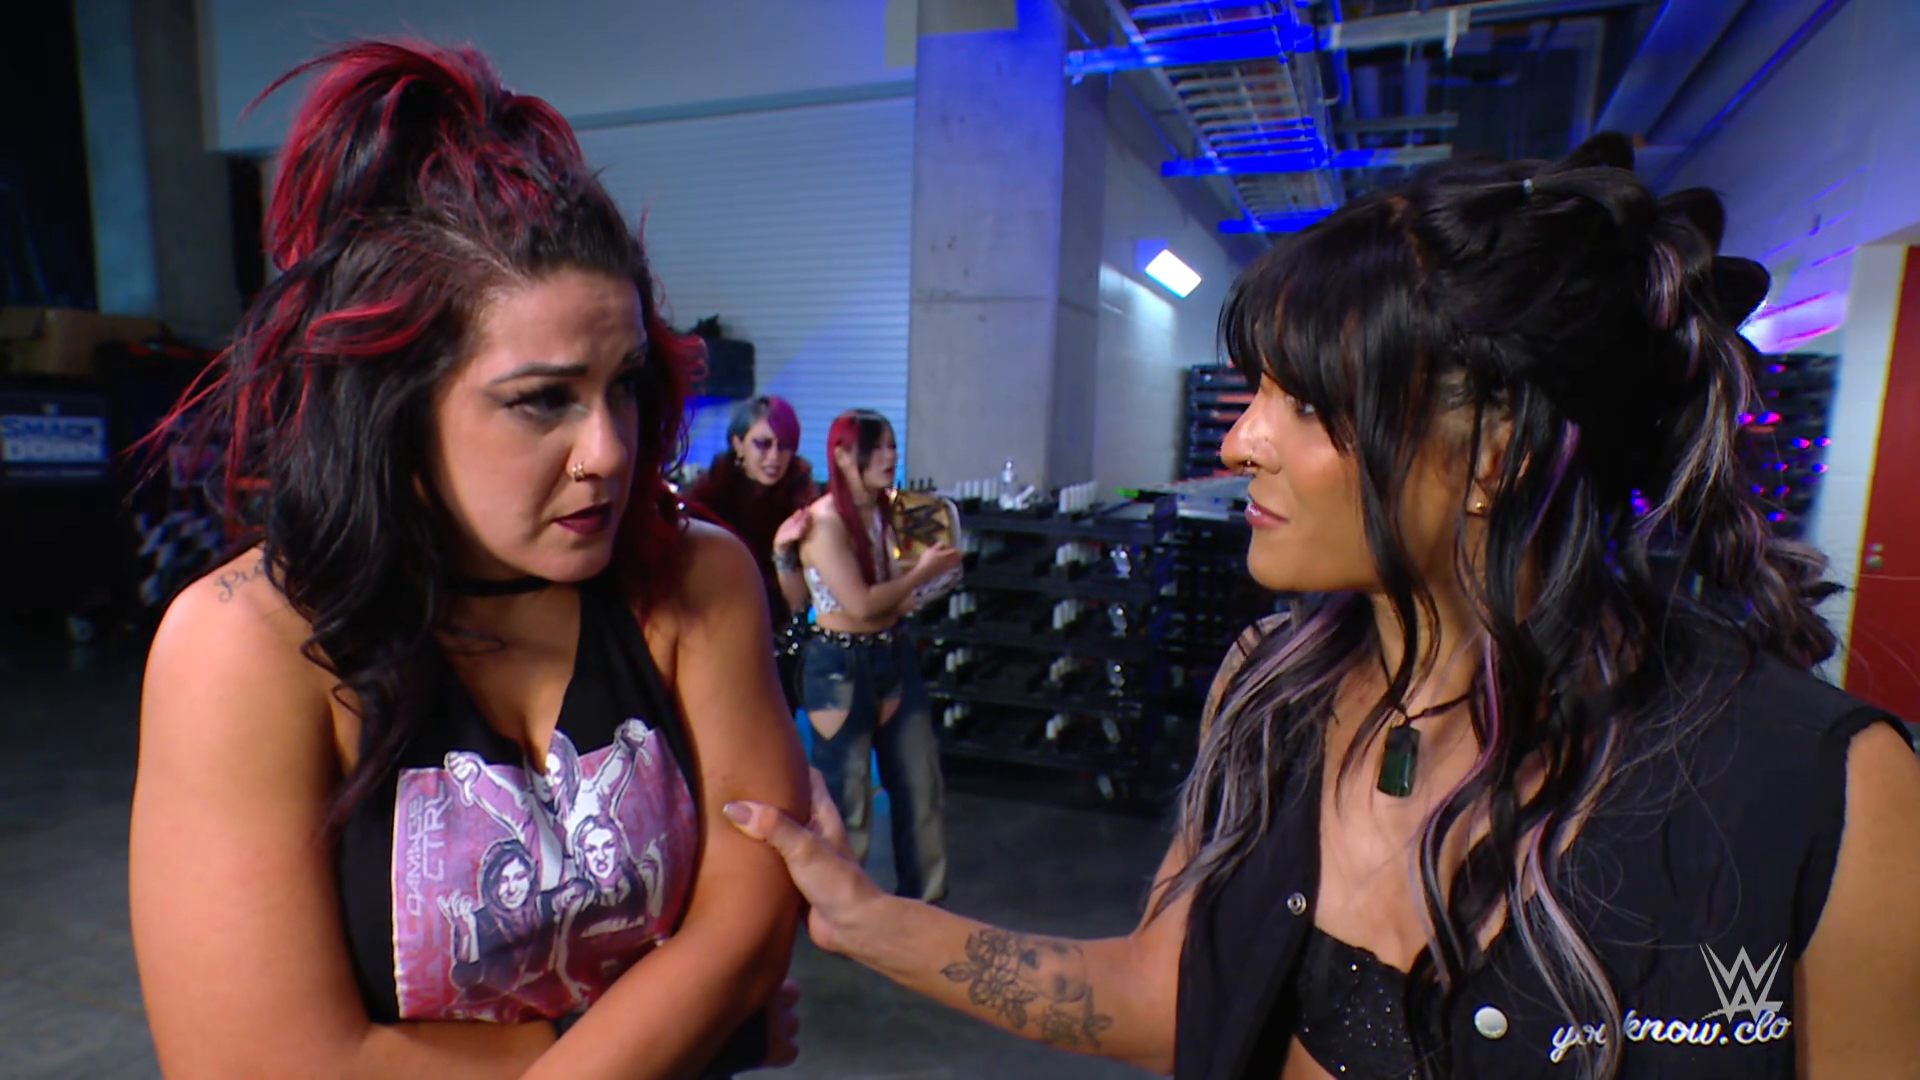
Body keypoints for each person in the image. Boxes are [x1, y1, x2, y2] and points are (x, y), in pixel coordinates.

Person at [723, 135, 1920, 1078]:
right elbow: (1168, 995)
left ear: (1493, 451)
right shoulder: (1269, 692)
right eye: (1254, 393)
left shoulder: (1825, 794)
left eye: (1303, 401)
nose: (1239, 441)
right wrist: (867, 919)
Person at [128, 40, 809, 1079]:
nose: (608, 451)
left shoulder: (697, 580)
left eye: (624, 384)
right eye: (542, 400)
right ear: (394, 407)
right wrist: (686, 1036)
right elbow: (259, 1065)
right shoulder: (242, 647)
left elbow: (750, 921)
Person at [787, 408, 961, 903]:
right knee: (848, 798)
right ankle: (842, 912)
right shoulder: (824, 523)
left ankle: (924, 903)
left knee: (921, 785)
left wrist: (923, 579)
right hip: (839, 667)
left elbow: (911, 587)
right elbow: (861, 603)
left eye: (892, 445)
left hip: (893, 654)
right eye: (877, 447)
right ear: (844, 456)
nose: (890, 456)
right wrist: (921, 575)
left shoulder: (896, 512)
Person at [683, 396, 819, 708]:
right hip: (716, 649)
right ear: (738, 444)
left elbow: (798, 605)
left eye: (784, 446)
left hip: (780, 655)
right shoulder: (705, 506)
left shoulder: (801, 506)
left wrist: (782, 551)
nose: (774, 457)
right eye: (763, 444)